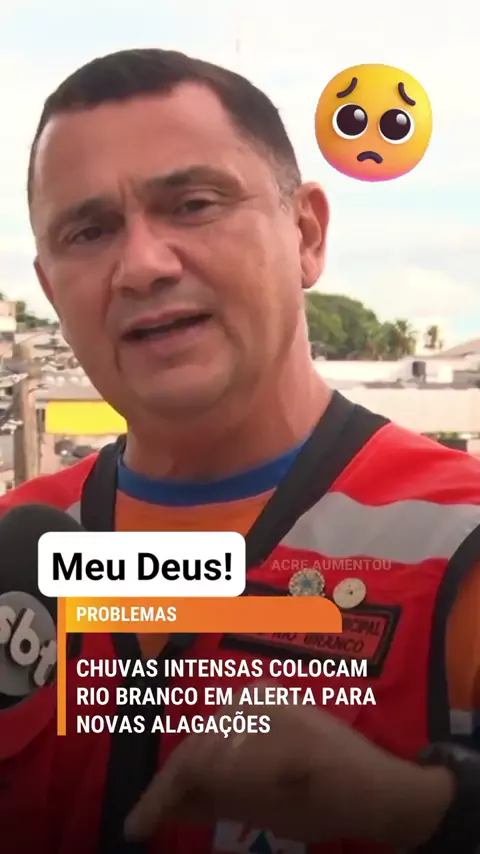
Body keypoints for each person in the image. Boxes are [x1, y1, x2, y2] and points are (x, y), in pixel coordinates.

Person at [1, 48, 480, 854]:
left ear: (306, 234)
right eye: (90, 231)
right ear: (51, 289)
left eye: (193, 204)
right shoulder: (15, 541)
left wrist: (420, 810)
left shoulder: (457, 540)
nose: (141, 266)